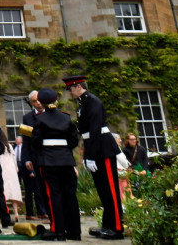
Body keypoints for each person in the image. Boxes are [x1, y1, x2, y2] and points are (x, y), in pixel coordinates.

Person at [65, 74, 124, 240]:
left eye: (70, 89)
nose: (69, 92)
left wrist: (90, 155)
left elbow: (95, 130)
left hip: (103, 148)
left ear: (78, 86)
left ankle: (117, 228)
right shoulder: (84, 102)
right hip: (95, 146)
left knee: (111, 190)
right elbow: (86, 134)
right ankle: (108, 225)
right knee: (103, 190)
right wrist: (87, 155)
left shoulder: (93, 101)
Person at [32, 88, 81, 241]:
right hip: (66, 160)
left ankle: (58, 231)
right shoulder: (66, 118)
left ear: (42, 103)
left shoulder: (39, 119)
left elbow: (36, 141)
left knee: (54, 195)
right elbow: (74, 140)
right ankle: (74, 232)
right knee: (70, 196)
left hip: (48, 162)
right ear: (55, 101)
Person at [21, 90, 48, 221]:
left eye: (39, 100)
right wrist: (26, 159)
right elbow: (25, 140)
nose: (38, 103)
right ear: (31, 103)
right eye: (34, 101)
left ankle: (50, 213)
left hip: (51, 156)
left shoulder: (52, 113)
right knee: (39, 187)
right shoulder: (27, 118)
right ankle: (43, 212)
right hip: (35, 157)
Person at [0, 135, 23, 224]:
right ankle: (16, 212)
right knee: (13, 193)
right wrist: (16, 169)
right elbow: (14, 158)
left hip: (2, 169)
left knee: (2, 193)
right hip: (11, 169)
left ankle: (6, 212)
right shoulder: (9, 146)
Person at [114, 133, 132, 201]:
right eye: (119, 139)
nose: (121, 140)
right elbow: (123, 161)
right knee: (124, 191)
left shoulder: (115, 148)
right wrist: (128, 165)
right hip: (121, 173)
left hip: (121, 172)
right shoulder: (116, 149)